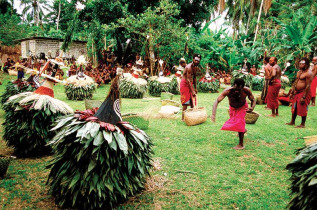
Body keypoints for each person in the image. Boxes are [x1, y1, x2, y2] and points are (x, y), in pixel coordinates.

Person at [211, 78, 256, 150]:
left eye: (239, 89)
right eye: (235, 88)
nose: (237, 91)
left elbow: (253, 100)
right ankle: (243, 130)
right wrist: (213, 114)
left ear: (242, 87)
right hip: (232, 108)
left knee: (239, 122)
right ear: (233, 86)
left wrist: (252, 107)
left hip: (242, 107)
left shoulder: (246, 90)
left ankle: (241, 144)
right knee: (236, 122)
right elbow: (217, 101)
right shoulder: (228, 91)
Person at [286, 58, 313, 128]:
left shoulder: (309, 73)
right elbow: (296, 82)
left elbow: (308, 86)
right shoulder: (299, 72)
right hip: (297, 92)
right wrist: (292, 91)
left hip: (304, 92)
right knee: (294, 107)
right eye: (300, 63)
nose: (300, 65)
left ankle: (302, 124)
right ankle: (292, 121)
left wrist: (304, 97)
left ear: (306, 65)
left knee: (303, 107)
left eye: (302, 64)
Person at [180, 54, 201, 120]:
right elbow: (188, 80)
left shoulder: (195, 67)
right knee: (185, 102)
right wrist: (192, 91)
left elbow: (194, 78)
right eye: (196, 60)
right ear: (193, 59)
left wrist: (195, 88)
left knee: (192, 101)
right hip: (185, 84)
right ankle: (183, 118)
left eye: (198, 60)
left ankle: (192, 116)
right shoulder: (189, 67)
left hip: (190, 84)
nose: (197, 61)